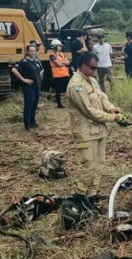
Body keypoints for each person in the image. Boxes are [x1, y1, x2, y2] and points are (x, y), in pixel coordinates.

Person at [66, 53, 122, 196]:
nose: (95, 71)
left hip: (98, 129)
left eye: (96, 68)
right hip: (85, 131)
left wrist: (110, 107)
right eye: (92, 68)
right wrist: (111, 117)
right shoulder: (76, 85)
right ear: (83, 66)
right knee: (88, 164)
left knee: (99, 163)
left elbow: (102, 97)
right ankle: (79, 195)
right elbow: (88, 111)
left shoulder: (92, 80)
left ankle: (92, 193)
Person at [11, 43, 43, 129]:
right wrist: (23, 79)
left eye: (34, 51)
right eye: (31, 51)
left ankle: (33, 121)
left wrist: (39, 76)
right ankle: (27, 124)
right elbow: (14, 70)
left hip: (36, 85)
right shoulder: (24, 62)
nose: (32, 53)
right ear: (27, 51)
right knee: (29, 105)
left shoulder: (35, 61)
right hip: (28, 87)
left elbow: (41, 70)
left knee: (34, 105)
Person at [48, 39, 70, 108]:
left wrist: (62, 62)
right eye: (60, 46)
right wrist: (63, 62)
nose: (61, 47)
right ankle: (59, 104)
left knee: (69, 88)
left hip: (65, 74)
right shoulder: (52, 56)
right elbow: (58, 64)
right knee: (58, 90)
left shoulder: (62, 54)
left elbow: (68, 62)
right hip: (57, 75)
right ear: (56, 47)